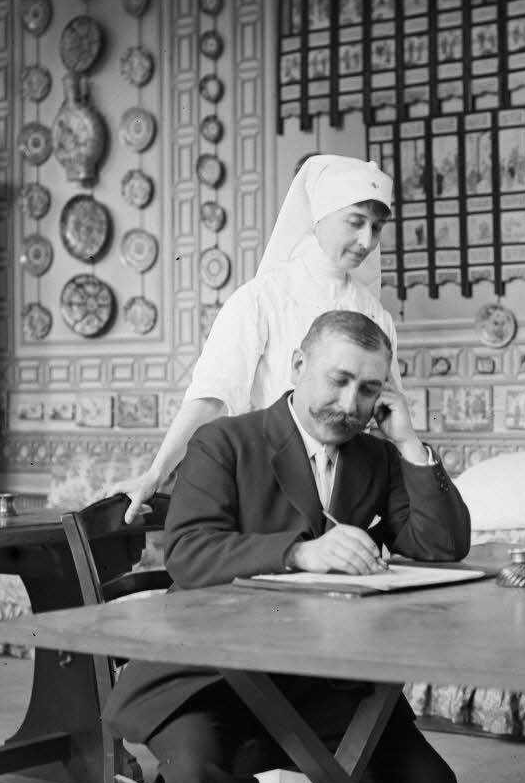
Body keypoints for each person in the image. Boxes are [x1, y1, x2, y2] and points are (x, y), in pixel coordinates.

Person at [102, 310, 470, 783]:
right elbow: (189, 553)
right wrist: (299, 553)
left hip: (319, 680)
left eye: (369, 389)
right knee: (198, 772)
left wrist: (408, 442)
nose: (350, 404)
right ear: (298, 366)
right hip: (209, 677)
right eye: (338, 380)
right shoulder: (224, 441)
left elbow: (441, 544)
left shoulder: (376, 456)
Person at [110, 153, 400, 524]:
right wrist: (155, 474)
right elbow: (211, 397)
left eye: (377, 227)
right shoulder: (262, 298)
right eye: (356, 222)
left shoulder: (376, 315)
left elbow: (389, 412)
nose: (366, 240)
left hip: (349, 488)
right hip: (268, 486)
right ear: (320, 215)